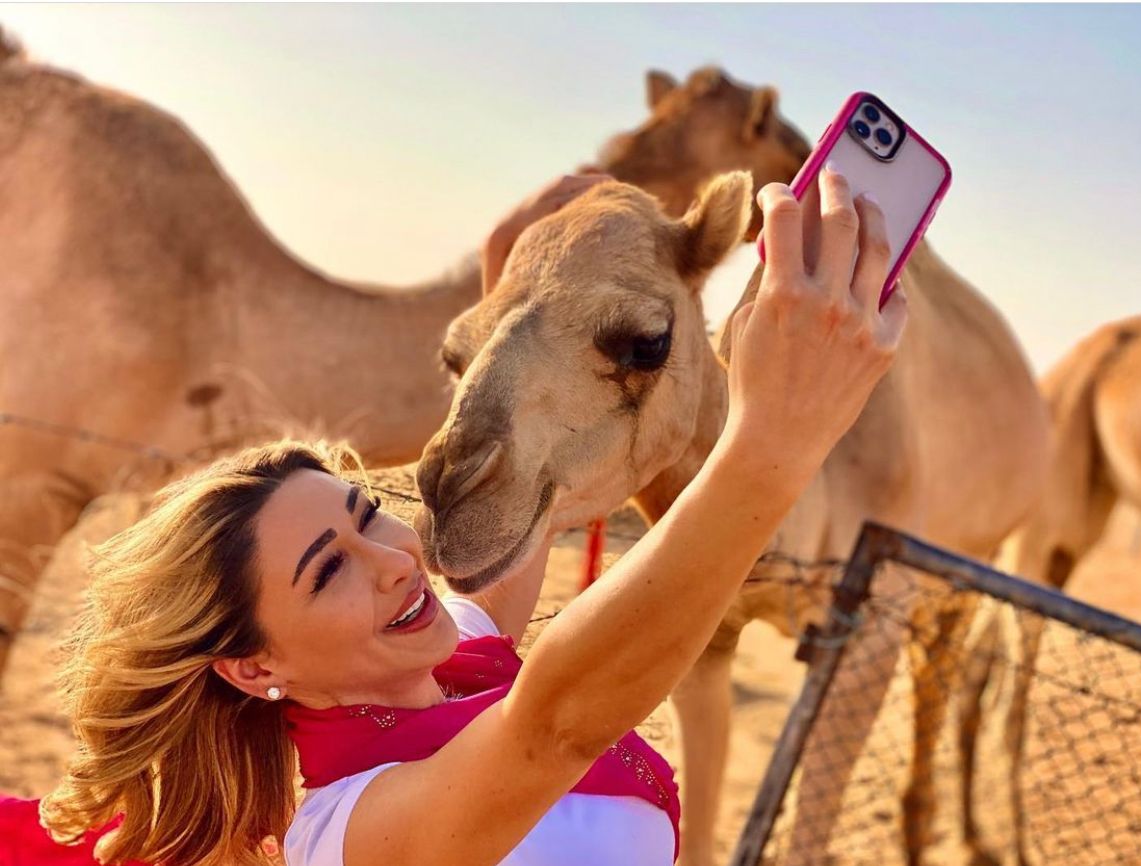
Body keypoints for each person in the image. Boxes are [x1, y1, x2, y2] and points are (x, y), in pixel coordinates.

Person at [17, 163, 906, 866]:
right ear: (253, 668)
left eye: (368, 515)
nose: (399, 559)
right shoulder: (350, 830)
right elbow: (556, 723)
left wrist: (514, 289)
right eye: (329, 570)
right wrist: (778, 440)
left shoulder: (462, 656)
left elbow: (527, 512)